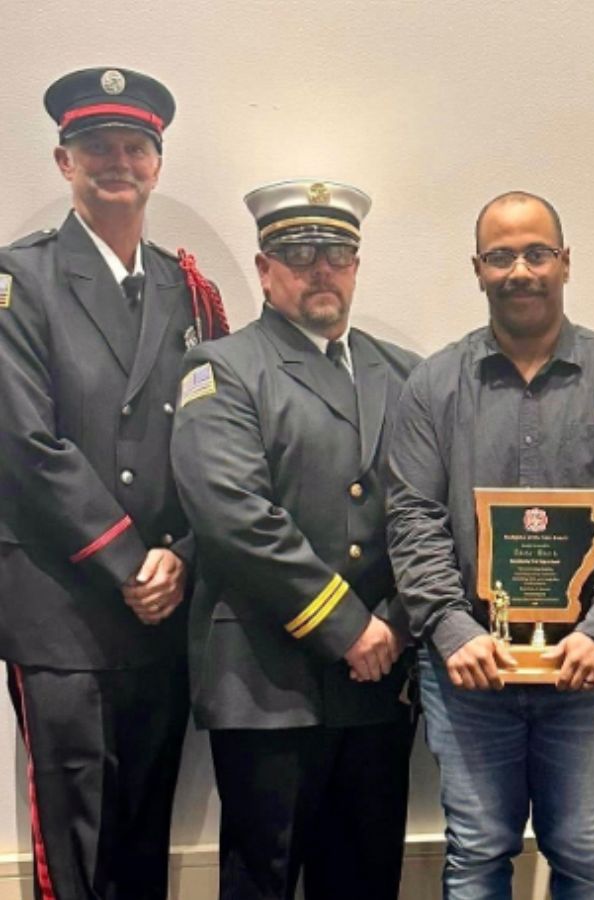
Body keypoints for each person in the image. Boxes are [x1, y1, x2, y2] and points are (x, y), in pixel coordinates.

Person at [386, 190, 594, 898]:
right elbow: (411, 516)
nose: (521, 270)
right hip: (467, 673)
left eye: (537, 252)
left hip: (587, 669)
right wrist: (453, 631)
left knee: (581, 848)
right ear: (477, 269)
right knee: (477, 851)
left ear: (566, 263)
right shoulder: (432, 385)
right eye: (501, 255)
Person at [0, 66, 226, 899]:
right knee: (83, 842)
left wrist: (183, 556)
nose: (117, 162)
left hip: (163, 601)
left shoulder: (187, 289)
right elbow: (25, 443)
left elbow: (213, 445)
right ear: (64, 161)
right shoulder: (16, 282)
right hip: (63, 604)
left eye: (135, 147)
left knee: (141, 829)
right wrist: (132, 561)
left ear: (157, 163)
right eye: (97, 147)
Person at [170, 179, 420, 900]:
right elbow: (233, 517)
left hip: (380, 679)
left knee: (366, 878)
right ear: (263, 268)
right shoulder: (221, 368)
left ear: (355, 264)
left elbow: (431, 511)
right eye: (298, 251)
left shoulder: (402, 373)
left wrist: (396, 624)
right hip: (267, 680)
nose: (320, 267)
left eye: (336, 252)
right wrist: (348, 627)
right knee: (264, 879)